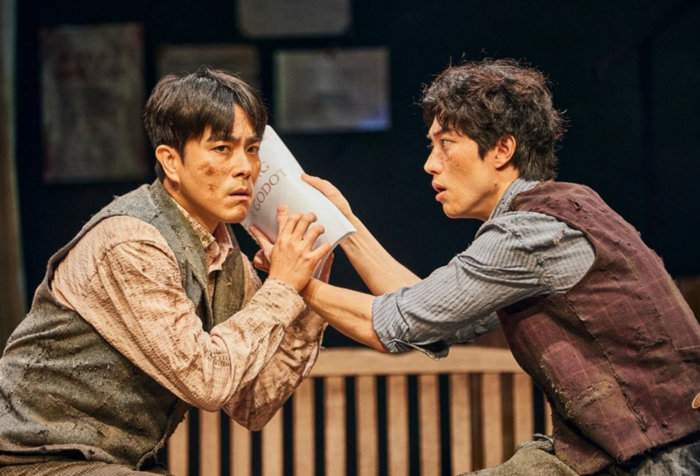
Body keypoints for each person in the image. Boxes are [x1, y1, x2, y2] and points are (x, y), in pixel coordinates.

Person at [255, 58, 700, 475]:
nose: (430, 164)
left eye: (446, 144)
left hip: (660, 456)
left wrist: (292, 278)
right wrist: (345, 227)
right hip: (611, 450)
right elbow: (425, 312)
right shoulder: (560, 208)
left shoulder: (529, 233)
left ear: (502, 148)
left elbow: (388, 323)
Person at [0, 67, 332, 475]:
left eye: (252, 149)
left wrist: (306, 296)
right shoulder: (131, 243)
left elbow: (252, 404)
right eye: (222, 148)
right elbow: (207, 381)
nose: (245, 167)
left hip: (112, 465)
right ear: (171, 161)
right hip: (28, 459)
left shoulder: (227, 261)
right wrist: (280, 286)